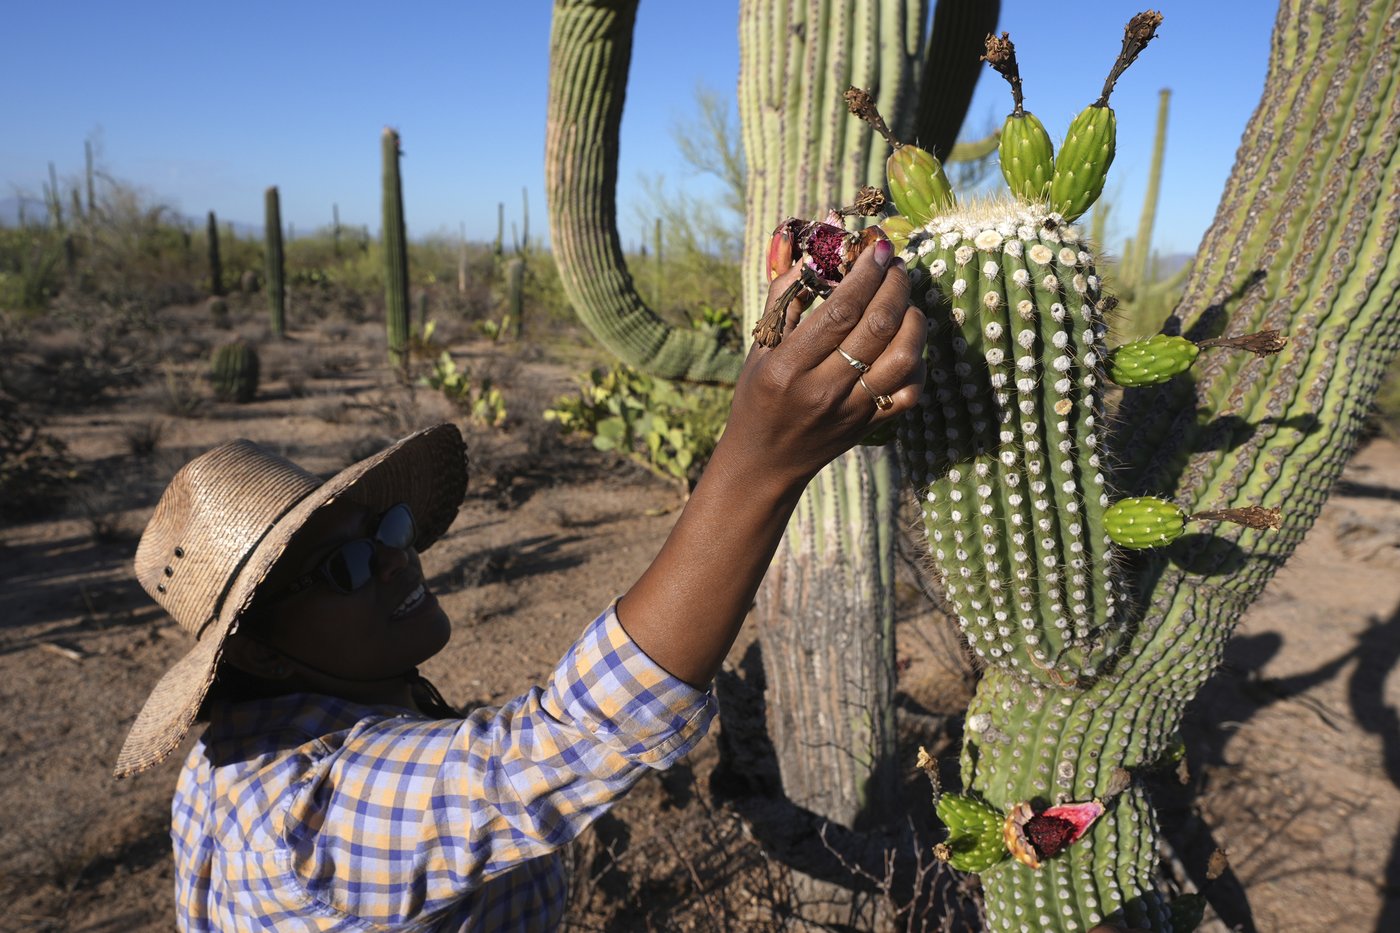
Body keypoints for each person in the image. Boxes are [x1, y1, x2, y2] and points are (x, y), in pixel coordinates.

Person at [113, 236, 927, 930]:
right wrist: (762, 458)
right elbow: (557, 748)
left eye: (382, 530)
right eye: (345, 567)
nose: (396, 557)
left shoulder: (224, 760)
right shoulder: (299, 820)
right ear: (263, 651)